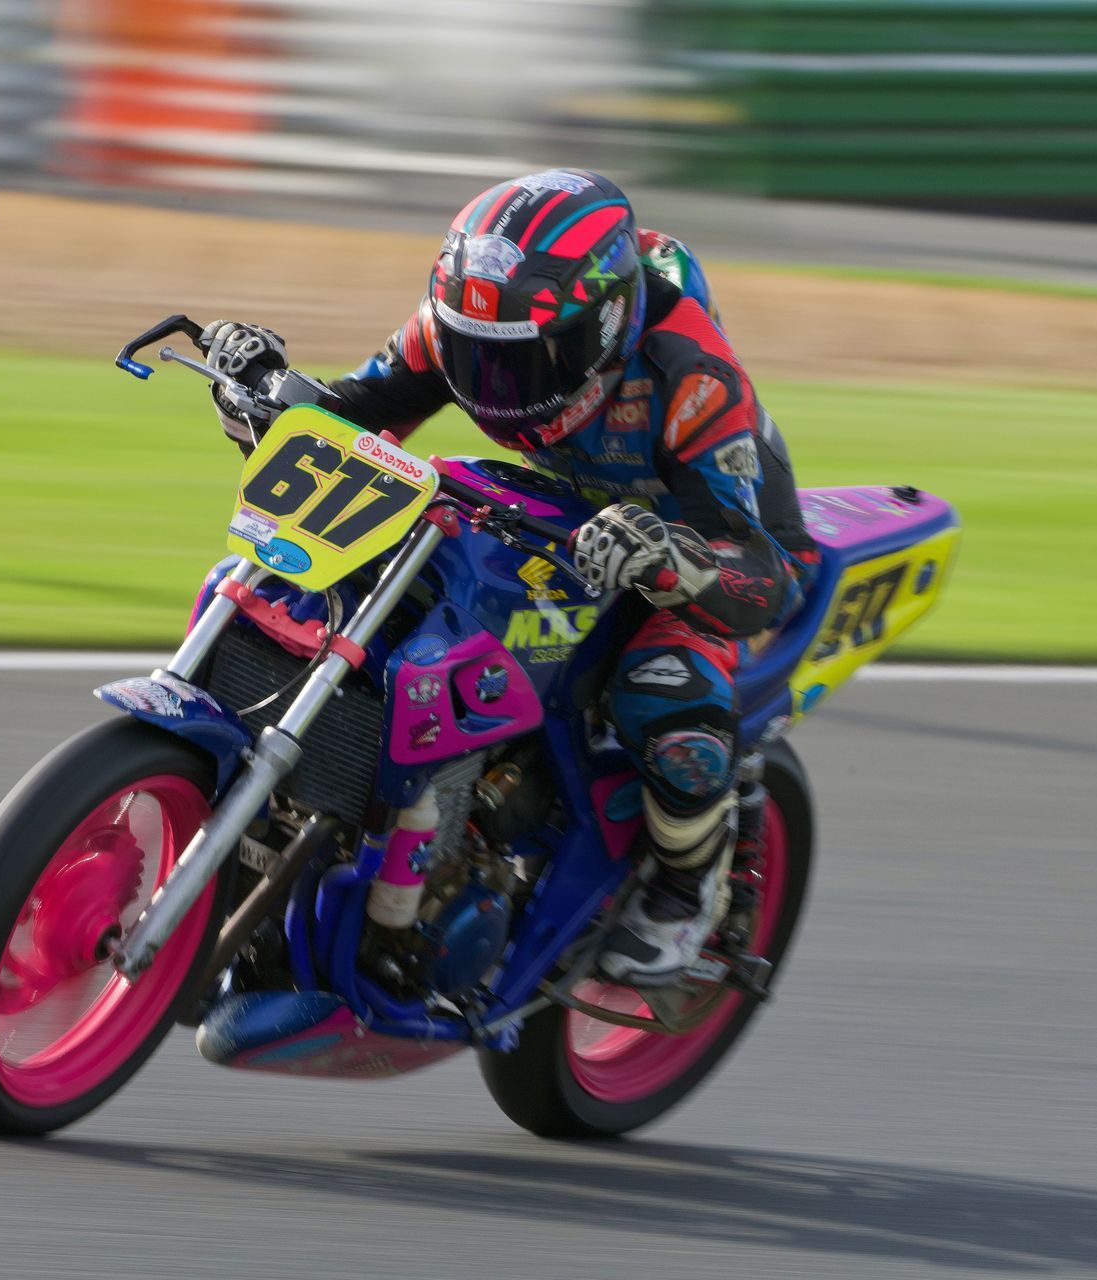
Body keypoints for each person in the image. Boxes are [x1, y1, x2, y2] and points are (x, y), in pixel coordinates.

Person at [200, 169, 817, 985]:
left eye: (521, 364)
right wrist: (266, 395)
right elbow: (356, 413)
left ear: (601, 329)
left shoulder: (690, 377)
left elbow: (762, 576)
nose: (490, 382)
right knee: (380, 600)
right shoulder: (468, 324)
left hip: (701, 542)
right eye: (473, 356)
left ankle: (685, 892)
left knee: (662, 688)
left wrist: (667, 557)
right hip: (551, 510)